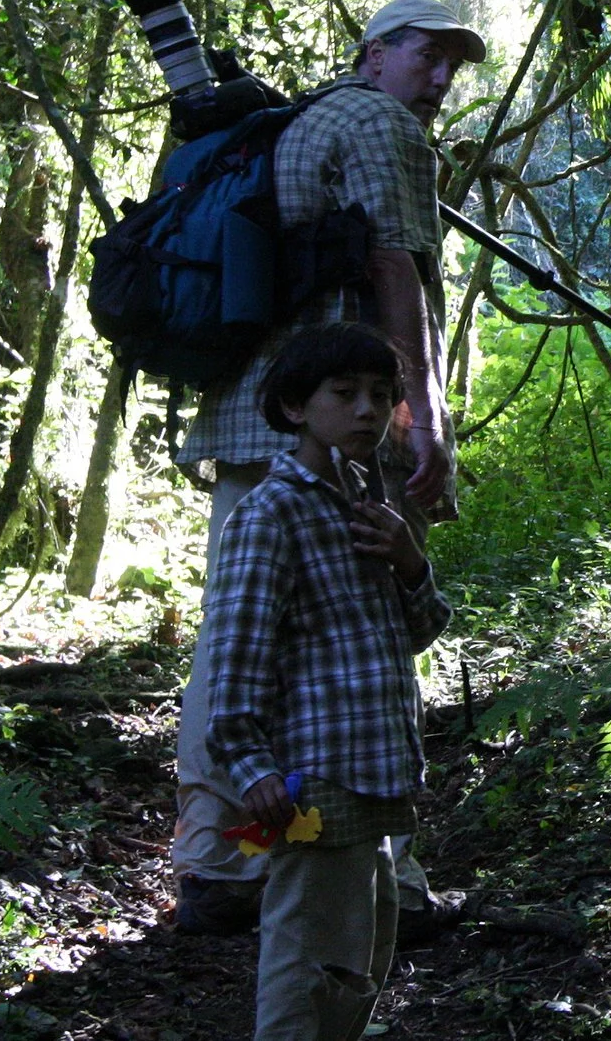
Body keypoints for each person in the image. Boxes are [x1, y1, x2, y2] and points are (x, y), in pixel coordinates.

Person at [171, 0, 483, 937]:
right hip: (340, 430)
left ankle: (223, 863)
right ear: (376, 54)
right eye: (427, 56)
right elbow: (397, 271)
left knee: (235, 645)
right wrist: (417, 418)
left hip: (247, 419)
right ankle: (388, 875)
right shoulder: (382, 123)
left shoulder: (292, 123)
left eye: (451, 67)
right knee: (363, 637)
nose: (438, 81)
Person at [194, 321, 452, 1040]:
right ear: (296, 407)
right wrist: (249, 765)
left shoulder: (373, 504)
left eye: (380, 395)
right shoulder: (270, 514)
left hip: (380, 769)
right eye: (345, 394)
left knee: (363, 950)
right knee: (307, 952)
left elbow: (420, 631)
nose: (367, 410)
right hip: (314, 776)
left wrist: (409, 561)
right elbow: (236, 651)